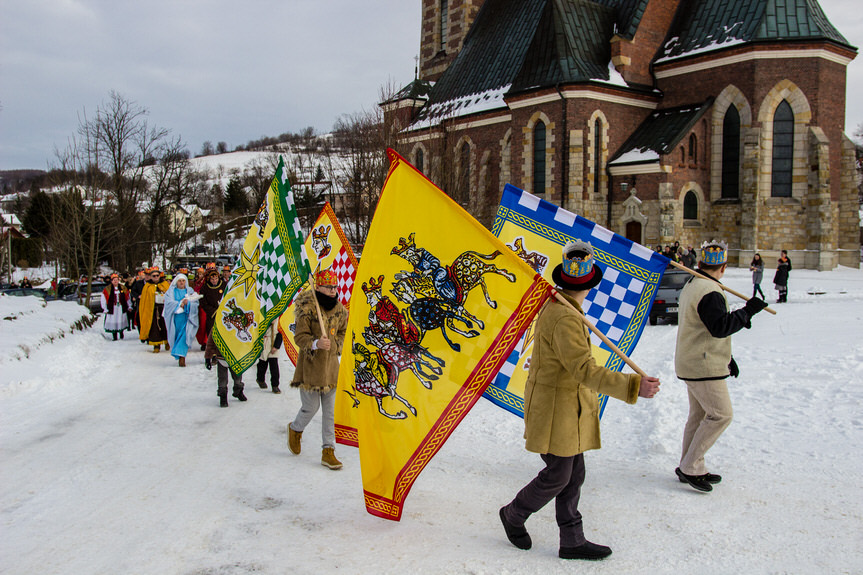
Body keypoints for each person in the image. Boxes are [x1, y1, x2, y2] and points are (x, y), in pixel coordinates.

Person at [499, 241, 660, 561]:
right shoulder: (566, 317)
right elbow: (584, 370)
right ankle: (514, 513)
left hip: (564, 407)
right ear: (590, 282)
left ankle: (572, 540)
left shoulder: (565, 309)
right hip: (557, 409)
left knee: (574, 474)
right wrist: (633, 386)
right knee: (559, 474)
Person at [674, 240, 768, 493]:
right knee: (721, 415)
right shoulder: (709, 290)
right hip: (703, 366)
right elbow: (720, 327)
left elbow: (706, 327)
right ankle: (691, 466)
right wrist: (747, 312)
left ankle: (688, 463)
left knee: (700, 415)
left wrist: (726, 357)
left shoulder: (695, 284)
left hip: (694, 361)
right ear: (723, 267)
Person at [287, 269, 349, 470]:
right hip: (311, 369)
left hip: (330, 369)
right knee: (310, 408)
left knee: (330, 413)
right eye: (329, 287)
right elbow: (299, 337)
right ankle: (296, 429)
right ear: (318, 287)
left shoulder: (340, 309)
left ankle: (328, 450)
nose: (333, 291)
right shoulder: (307, 309)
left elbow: (343, 332)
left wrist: (335, 344)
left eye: (335, 287)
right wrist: (315, 343)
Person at [162, 273, 199, 367]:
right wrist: (180, 303)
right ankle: (178, 353)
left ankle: (182, 357)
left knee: (185, 335)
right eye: (179, 281)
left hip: (187, 318)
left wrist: (188, 303)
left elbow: (195, 302)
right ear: (176, 282)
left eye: (183, 281)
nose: (181, 282)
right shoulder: (171, 292)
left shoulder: (190, 291)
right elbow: (168, 303)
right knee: (176, 335)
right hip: (176, 319)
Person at [205, 332, 246, 407]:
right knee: (223, 377)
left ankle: (238, 390)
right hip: (222, 354)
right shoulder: (218, 324)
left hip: (235, 355)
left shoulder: (238, 322)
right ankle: (223, 396)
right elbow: (211, 340)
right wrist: (208, 357)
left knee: (237, 375)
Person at [138, 267, 171, 352]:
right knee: (154, 327)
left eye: (157, 275)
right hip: (152, 309)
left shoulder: (164, 284)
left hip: (163, 309)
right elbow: (145, 299)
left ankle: (167, 342)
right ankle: (156, 345)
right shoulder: (147, 286)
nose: (156, 277)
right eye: (154, 276)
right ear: (151, 276)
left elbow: (170, 295)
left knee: (165, 326)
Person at [100, 273, 130, 340]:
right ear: (111, 281)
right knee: (114, 320)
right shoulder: (107, 289)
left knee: (120, 319)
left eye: (116, 280)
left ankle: (121, 333)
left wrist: (129, 306)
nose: (115, 281)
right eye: (114, 280)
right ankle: (114, 335)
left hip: (121, 307)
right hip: (112, 307)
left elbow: (127, 297)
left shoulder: (123, 288)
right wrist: (105, 308)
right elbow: (103, 299)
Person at [256, 322, 283, 393]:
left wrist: (276, 346)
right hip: (264, 342)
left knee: (274, 366)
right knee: (262, 363)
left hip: (273, 341)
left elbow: (281, 333)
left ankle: (275, 386)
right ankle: (260, 379)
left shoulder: (279, 320)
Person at [200, 269, 226, 337]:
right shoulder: (205, 288)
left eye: (216, 278)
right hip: (211, 315)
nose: (214, 281)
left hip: (223, 313)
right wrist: (213, 311)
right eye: (212, 279)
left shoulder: (224, 285)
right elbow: (203, 302)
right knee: (211, 332)